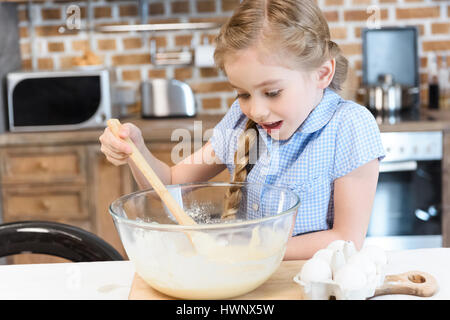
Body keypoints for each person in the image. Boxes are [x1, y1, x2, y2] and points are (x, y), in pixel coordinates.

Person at [99, 0, 385, 260]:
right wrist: (136, 150)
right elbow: (169, 186)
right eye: (243, 94)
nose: (256, 110)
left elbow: (347, 239)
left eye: (272, 92)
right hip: (253, 282)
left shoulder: (350, 125)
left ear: (322, 73)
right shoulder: (240, 120)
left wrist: (245, 251)